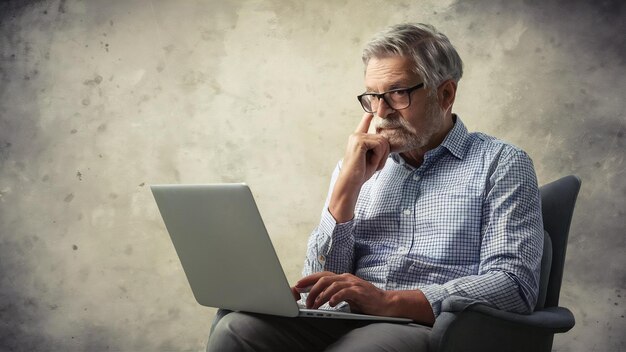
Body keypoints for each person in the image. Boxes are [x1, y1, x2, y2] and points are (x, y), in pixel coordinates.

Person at [207, 23, 543, 352]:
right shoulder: (356, 166)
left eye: (398, 93)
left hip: (427, 327)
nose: (381, 112)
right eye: (372, 97)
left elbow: (514, 285)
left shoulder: (501, 163)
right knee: (235, 330)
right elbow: (317, 287)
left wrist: (388, 302)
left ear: (445, 94)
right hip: (341, 320)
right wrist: (347, 188)